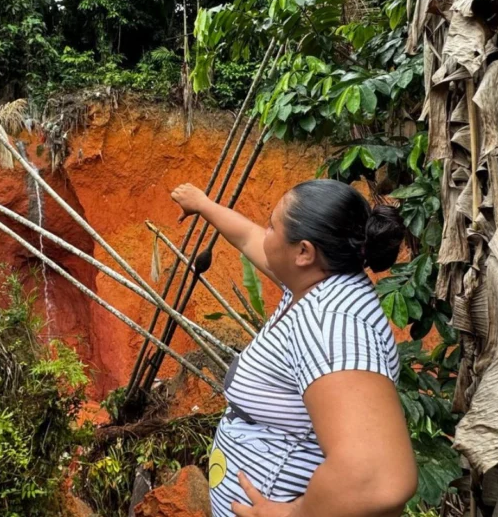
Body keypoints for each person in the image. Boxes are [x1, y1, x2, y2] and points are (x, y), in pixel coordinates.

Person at [171, 179, 418, 517]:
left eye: (273, 226)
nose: (265, 232)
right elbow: (248, 237)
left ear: (304, 252)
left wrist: (294, 513)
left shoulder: (332, 326)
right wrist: (202, 204)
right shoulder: (319, 281)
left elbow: (377, 479)